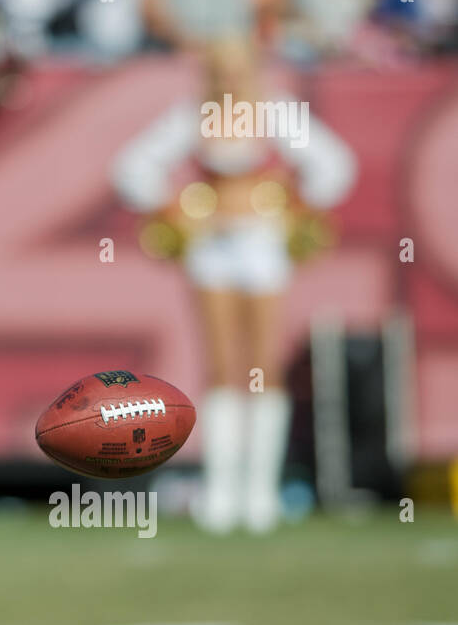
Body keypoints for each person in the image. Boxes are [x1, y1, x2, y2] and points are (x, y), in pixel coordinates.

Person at [109, 37, 357, 533]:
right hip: (212, 248)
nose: (228, 79)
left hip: (263, 243)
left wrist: (291, 205)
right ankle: (222, 490)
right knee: (221, 363)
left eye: (237, 69)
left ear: (253, 69)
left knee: (264, 363)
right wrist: (177, 206)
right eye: (219, 69)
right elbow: (133, 167)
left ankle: (260, 491)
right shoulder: (193, 115)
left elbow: (334, 164)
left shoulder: (276, 111)